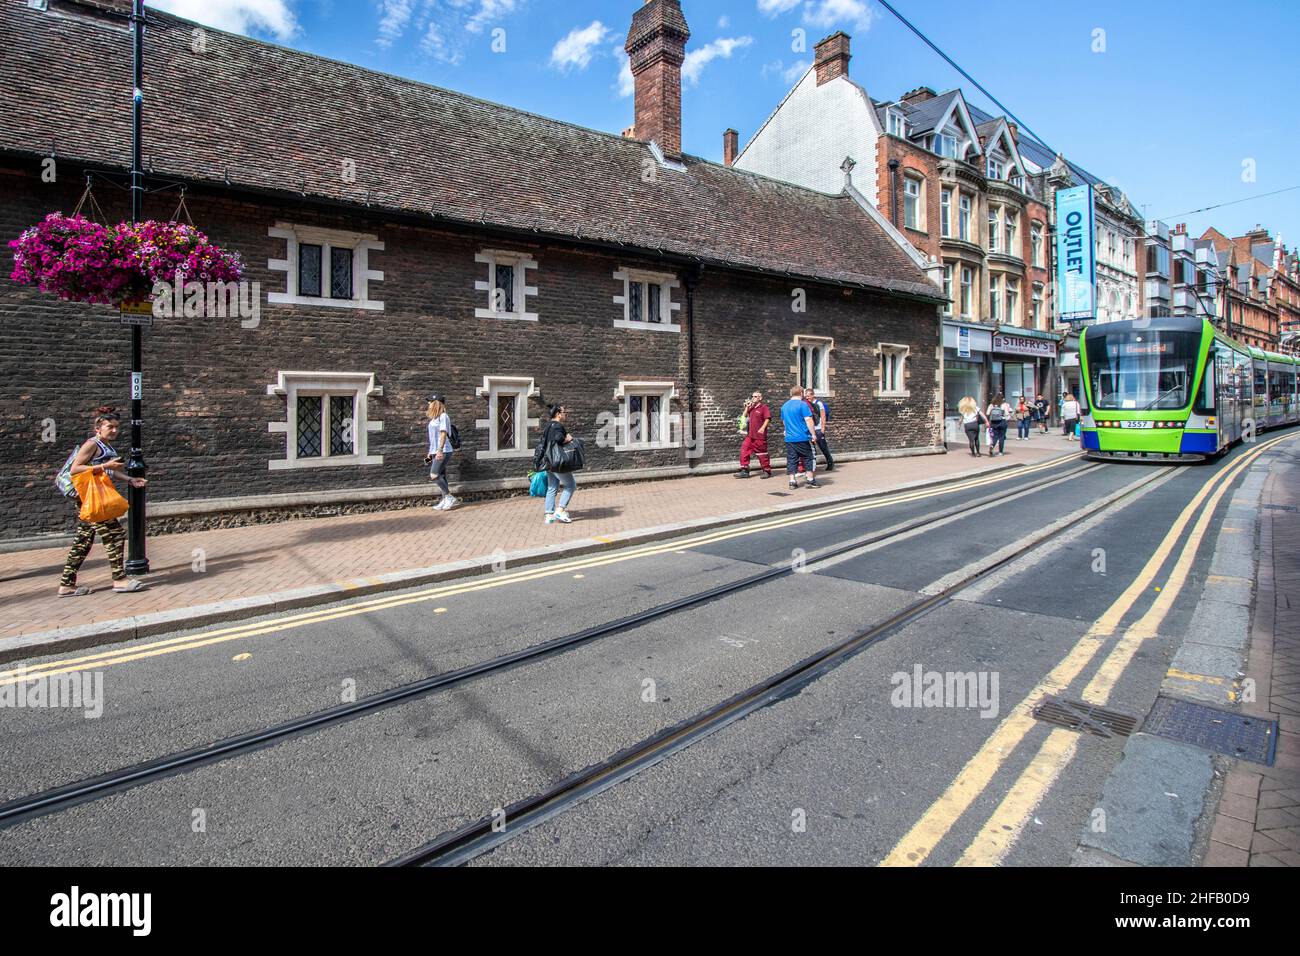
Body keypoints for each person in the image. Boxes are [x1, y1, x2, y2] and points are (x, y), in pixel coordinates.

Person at [57, 406, 148, 596]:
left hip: (90, 497)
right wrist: (105, 464)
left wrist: (130, 479)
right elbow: (75, 469)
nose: (114, 430)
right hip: (88, 497)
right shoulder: (92, 444)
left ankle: (66, 584)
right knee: (114, 534)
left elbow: (108, 471)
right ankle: (119, 580)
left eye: (116, 426)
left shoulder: (106, 445)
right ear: (98, 428)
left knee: (83, 540)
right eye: (110, 427)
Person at [534, 403, 577, 523]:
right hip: (557, 462)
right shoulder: (557, 426)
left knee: (552, 487)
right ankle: (560, 510)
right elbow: (559, 439)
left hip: (548, 462)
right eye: (564, 413)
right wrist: (568, 439)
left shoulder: (548, 426)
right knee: (571, 485)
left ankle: (549, 515)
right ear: (558, 414)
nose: (565, 415)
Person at [781, 385, 819, 489]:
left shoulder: (785, 406)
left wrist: (787, 430)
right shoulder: (802, 405)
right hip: (802, 437)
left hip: (789, 438)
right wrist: (813, 434)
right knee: (808, 457)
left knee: (792, 459)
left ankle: (792, 481)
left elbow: (784, 421)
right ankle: (810, 480)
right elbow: (808, 420)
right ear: (801, 393)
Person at [424, 395, 458, 511]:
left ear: (437, 403)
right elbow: (433, 437)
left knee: (434, 475)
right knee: (441, 475)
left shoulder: (443, 416)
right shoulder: (434, 418)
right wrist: (430, 452)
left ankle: (449, 497)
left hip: (443, 450)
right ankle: (444, 499)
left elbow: (443, 434)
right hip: (435, 451)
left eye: (430, 402)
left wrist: (439, 450)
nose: (428, 404)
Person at [735, 390, 772, 478]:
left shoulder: (764, 407)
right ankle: (745, 470)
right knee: (744, 451)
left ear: (760, 398)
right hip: (750, 435)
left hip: (759, 436)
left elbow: (768, 419)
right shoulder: (751, 407)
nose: (753, 398)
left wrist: (763, 428)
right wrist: (747, 407)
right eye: (753, 396)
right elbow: (743, 417)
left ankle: (766, 471)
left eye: (755, 396)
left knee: (762, 454)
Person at [804, 387, 834, 472]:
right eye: (806, 396)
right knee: (811, 448)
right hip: (810, 429)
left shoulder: (819, 403)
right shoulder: (806, 404)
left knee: (823, 447)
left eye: (808, 396)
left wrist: (823, 428)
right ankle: (813, 465)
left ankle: (830, 463)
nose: (807, 398)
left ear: (813, 395)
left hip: (818, 428)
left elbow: (823, 416)